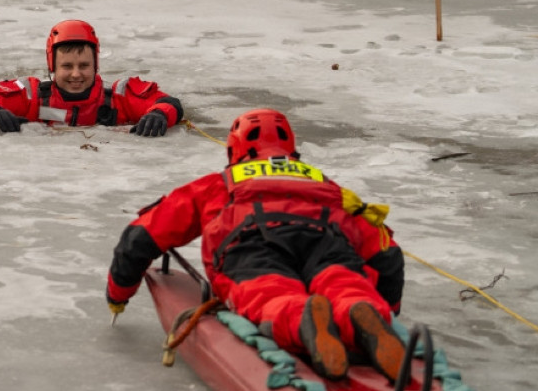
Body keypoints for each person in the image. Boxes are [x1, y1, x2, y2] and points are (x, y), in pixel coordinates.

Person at [104, 109, 407, 382]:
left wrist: (118, 295)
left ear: (234, 149)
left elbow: (141, 237)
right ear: (292, 148)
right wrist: (390, 309)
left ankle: (303, 320)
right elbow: (387, 253)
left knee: (270, 292)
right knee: (343, 281)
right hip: (326, 238)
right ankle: (362, 313)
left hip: (251, 243)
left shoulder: (222, 182)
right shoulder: (327, 185)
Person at [0, 20, 184, 136]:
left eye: (84, 66)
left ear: (95, 65)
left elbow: (168, 103)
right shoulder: (31, 95)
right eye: (67, 66)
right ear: (52, 65)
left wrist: (160, 115)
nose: (76, 74)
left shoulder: (120, 96)